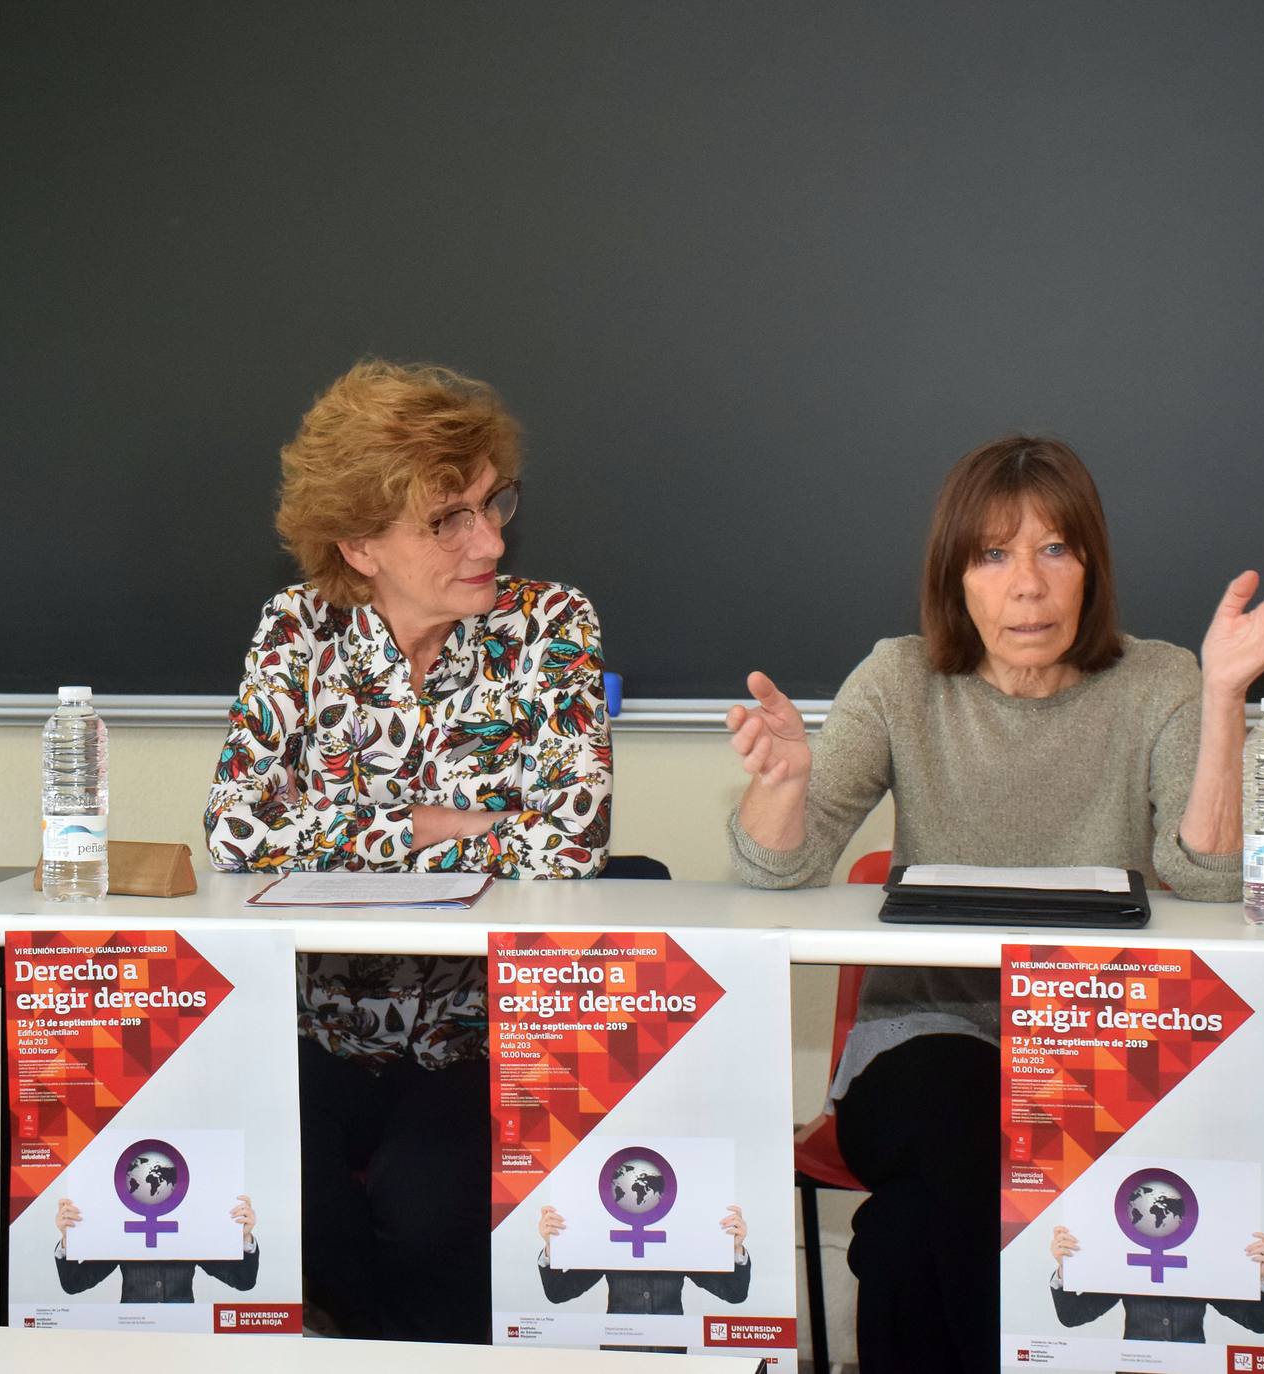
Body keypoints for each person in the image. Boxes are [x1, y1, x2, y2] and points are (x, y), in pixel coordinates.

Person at [722, 436, 1264, 1374]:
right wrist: (785, 785)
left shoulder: (1159, 683)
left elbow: (1203, 877)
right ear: (954, 576)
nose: (1026, 587)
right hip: (917, 1052)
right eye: (993, 554)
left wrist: (1224, 694)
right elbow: (770, 868)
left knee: (906, 1237)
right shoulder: (899, 680)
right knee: (970, 1113)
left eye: (1054, 551)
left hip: (1097, 1054)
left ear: (1091, 568)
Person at [203, 359, 613, 1343]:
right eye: (449, 520)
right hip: (321, 1023)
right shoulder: (297, 632)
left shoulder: (553, 628)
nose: (493, 538)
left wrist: (345, 825)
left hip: (490, 1029)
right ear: (360, 543)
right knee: (265, 1189)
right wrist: (448, 828)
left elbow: (571, 844)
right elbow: (237, 831)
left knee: (430, 1209)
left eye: (492, 503)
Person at [1048, 1223, 1264, 1343]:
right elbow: (1072, 1316)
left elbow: (1260, 1323)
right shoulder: (1126, 1265)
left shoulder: (1202, 1266)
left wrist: (1261, 1278)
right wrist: (1066, 1269)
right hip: (1135, 1370)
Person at [535, 1202, 752, 1313]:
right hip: (619, 1356)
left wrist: (735, 1249)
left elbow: (734, 1293)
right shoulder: (608, 1242)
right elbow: (558, 1292)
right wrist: (552, 1247)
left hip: (671, 1358)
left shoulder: (680, 1243)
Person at [52, 1195, 260, 1303]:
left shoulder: (193, 1233)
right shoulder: (121, 1233)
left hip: (185, 1332)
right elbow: (74, 1284)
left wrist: (244, 1237)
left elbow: (243, 1281)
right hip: (131, 1333)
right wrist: (67, 1239)